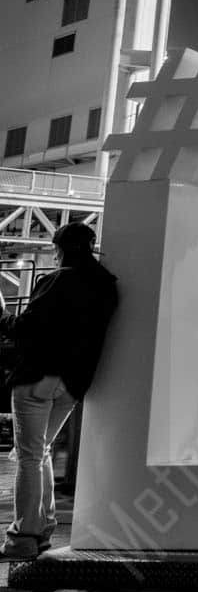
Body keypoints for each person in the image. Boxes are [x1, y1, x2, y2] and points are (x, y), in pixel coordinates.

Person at [0, 223, 118, 559]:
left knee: (29, 456)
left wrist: (2, 316)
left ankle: (23, 535)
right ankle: (44, 528)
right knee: (43, 451)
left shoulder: (56, 280)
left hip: (38, 377)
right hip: (73, 383)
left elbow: (24, 329)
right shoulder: (107, 286)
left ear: (62, 249)